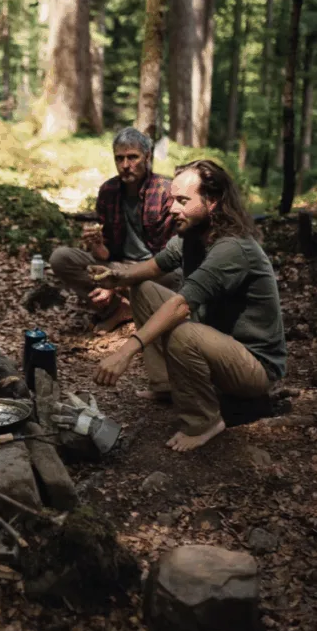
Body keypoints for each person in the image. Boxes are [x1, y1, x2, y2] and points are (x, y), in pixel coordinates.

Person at [90, 160, 287, 453]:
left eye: (183, 201)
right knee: (142, 289)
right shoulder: (193, 234)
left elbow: (182, 305)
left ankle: (203, 422)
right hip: (219, 343)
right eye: (172, 200)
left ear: (213, 202)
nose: (172, 208)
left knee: (183, 330)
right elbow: (153, 268)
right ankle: (165, 385)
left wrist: (125, 352)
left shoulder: (232, 248)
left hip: (256, 366)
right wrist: (115, 277)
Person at [49, 127, 178, 331]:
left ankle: (137, 303)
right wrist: (98, 245)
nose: (125, 165)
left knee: (178, 274)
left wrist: (116, 282)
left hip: (155, 268)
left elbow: (168, 258)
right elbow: (106, 253)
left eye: (132, 157)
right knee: (61, 258)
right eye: (119, 159)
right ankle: (119, 309)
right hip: (118, 265)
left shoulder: (165, 191)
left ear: (147, 156)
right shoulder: (109, 191)